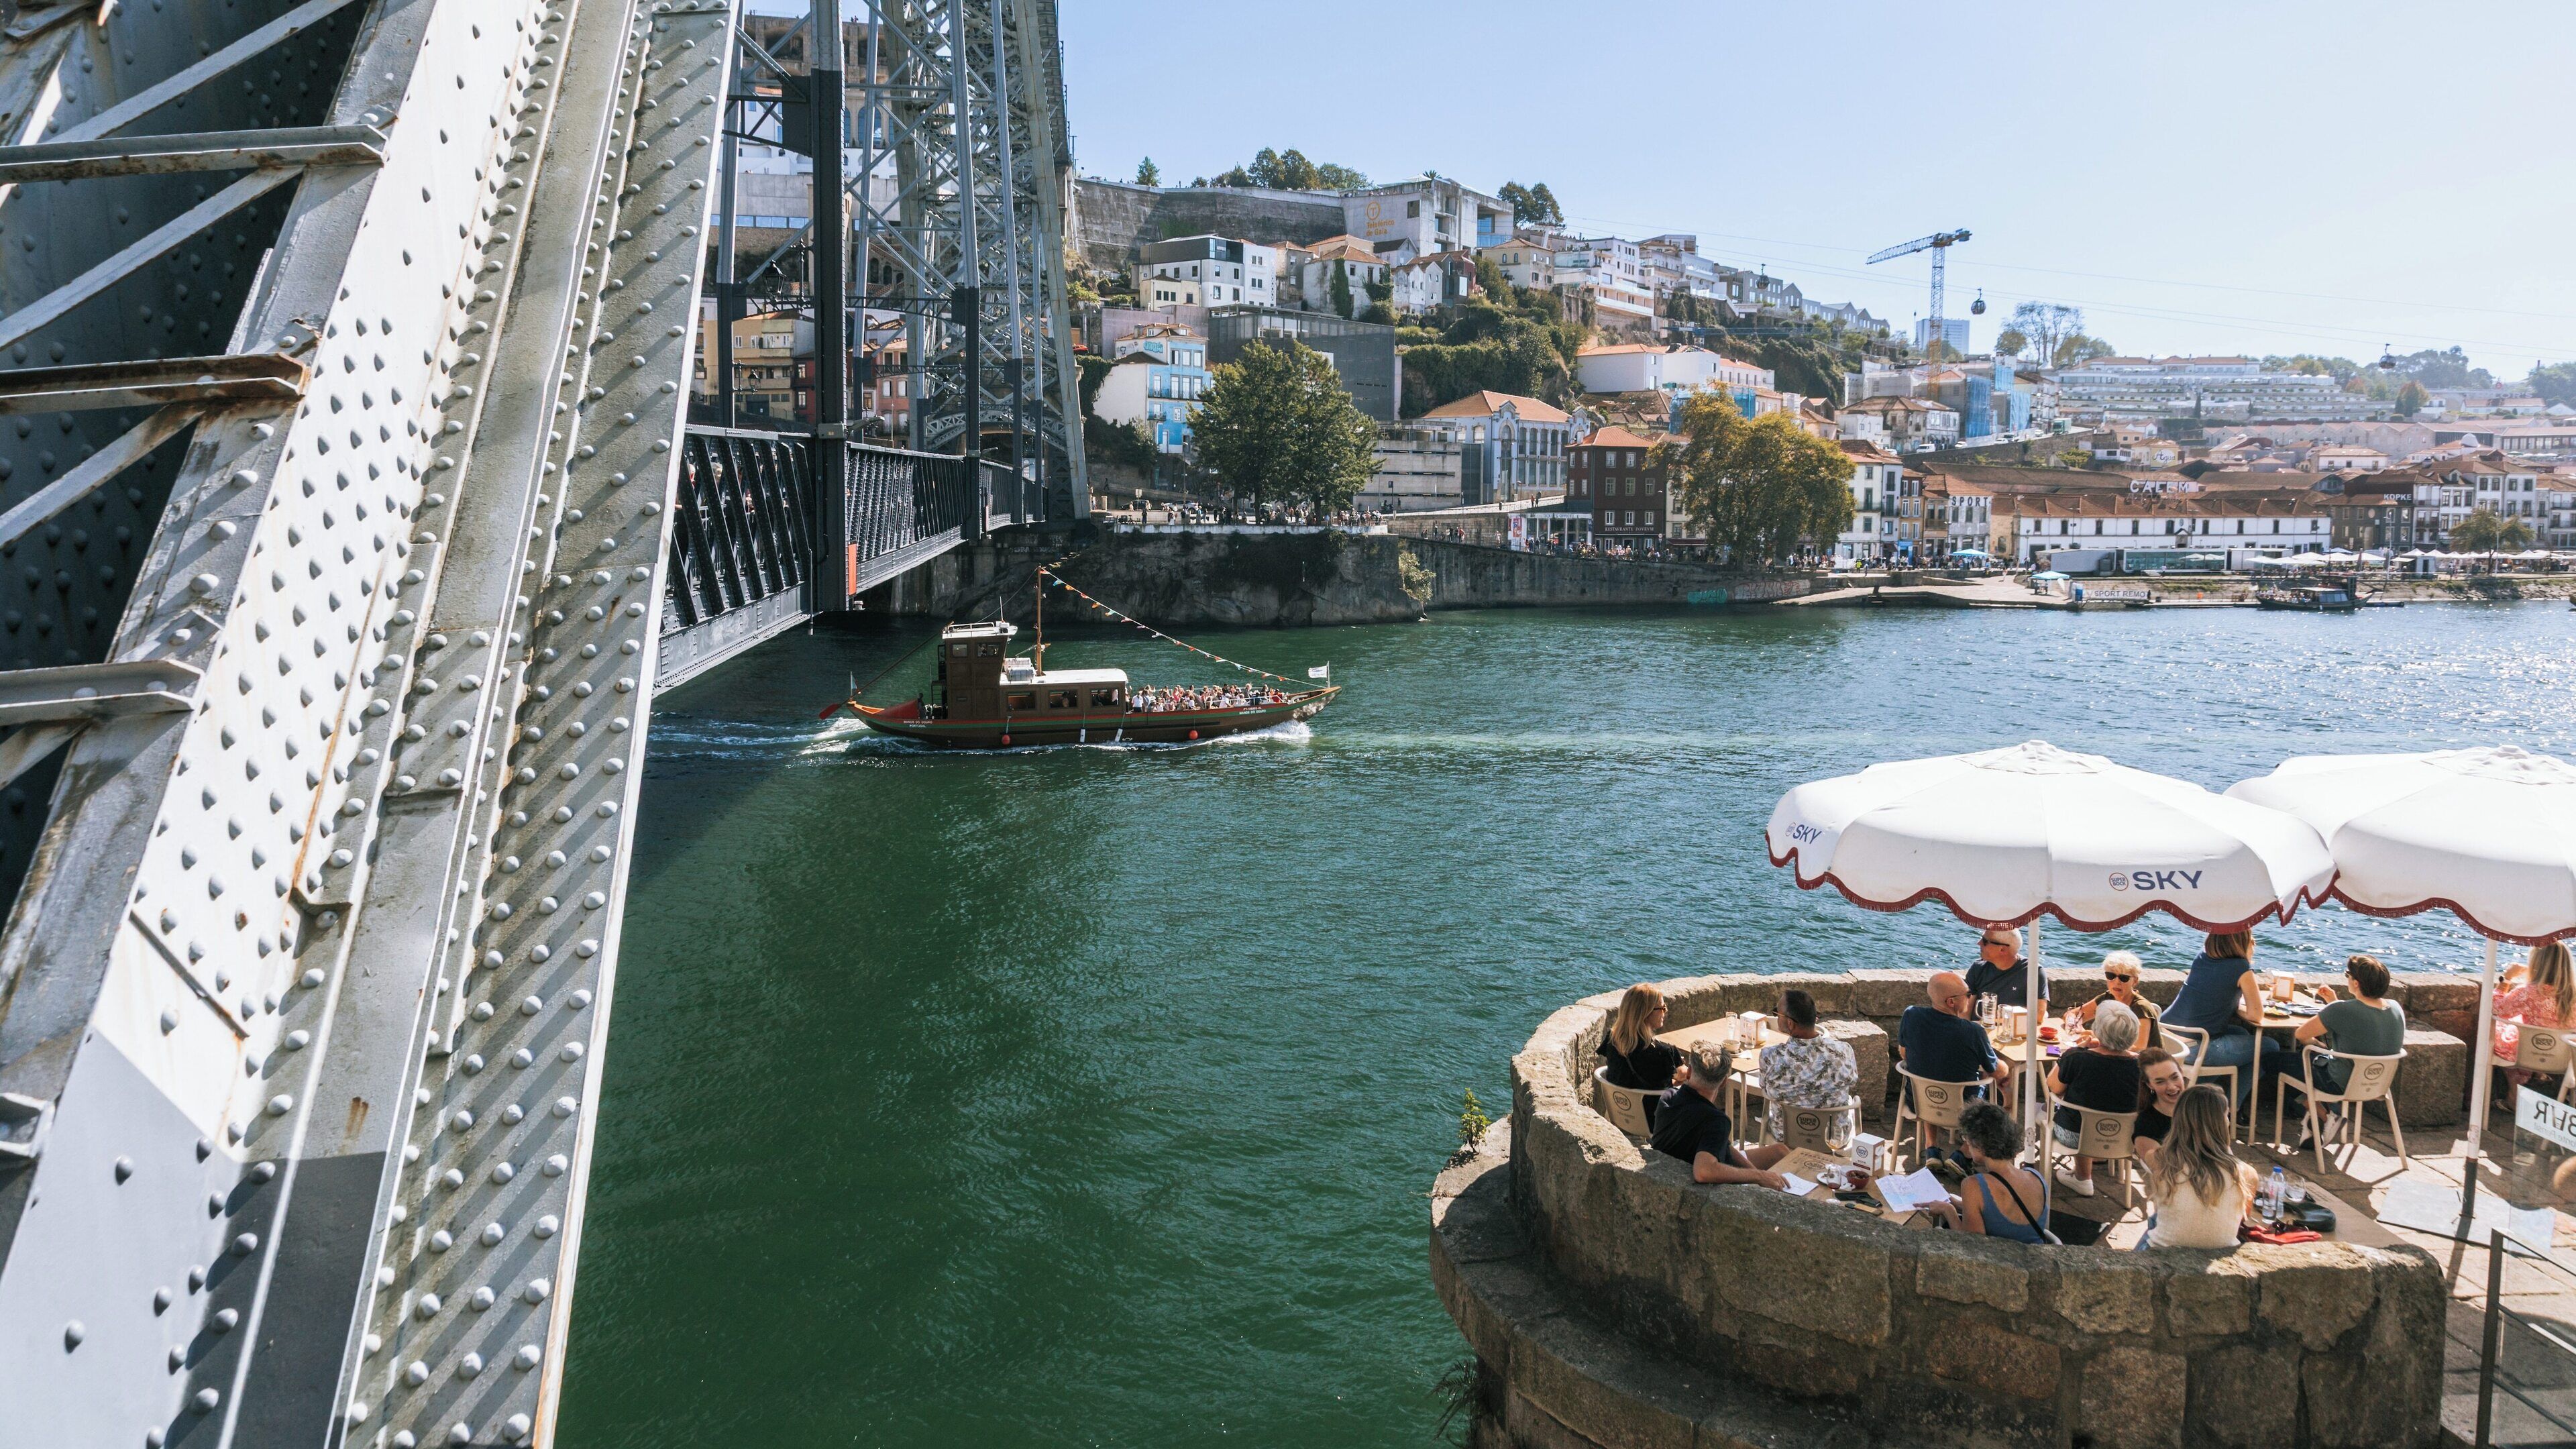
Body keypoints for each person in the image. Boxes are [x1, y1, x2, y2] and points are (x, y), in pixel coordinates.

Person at [2283, 953, 2406, 1151]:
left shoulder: (2341, 1010)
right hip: (2377, 1085)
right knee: (2317, 1062)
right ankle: (2313, 1115)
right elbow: (2361, 1026)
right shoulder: (2395, 1008)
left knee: (2276, 1060)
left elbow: (2301, 1034)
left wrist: (2319, 1042)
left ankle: (2322, 1114)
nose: (2347, 978)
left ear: (2356, 983)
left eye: (2348, 974)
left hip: (2340, 1084)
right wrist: (2333, 1002)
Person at [1648, 1046, 1792, 1188]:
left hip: (1664, 1172)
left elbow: (1721, 1144)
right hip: (1689, 1181)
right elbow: (1703, 1172)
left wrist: (1757, 1173)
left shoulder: (1669, 1097)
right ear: (1724, 1082)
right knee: (1782, 1157)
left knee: (1780, 1151)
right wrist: (1758, 1177)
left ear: (1689, 1072)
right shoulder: (1716, 1120)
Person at [2046, 1000, 2144, 1197]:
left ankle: (2082, 1178)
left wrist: (2074, 1051)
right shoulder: (2143, 1065)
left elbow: (2053, 1086)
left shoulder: (2077, 1058)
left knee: (2057, 1111)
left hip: (2075, 1137)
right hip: (2126, 1138)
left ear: (2098, 1030)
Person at [2142, 1085, 2258, 1249]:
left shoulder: (2160, 1159)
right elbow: (2242, 1218)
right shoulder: (2247, 1173)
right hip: (2220, 1256)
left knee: (2156, 1219)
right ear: (2222, 1122)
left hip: (2164, 1255)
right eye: (2227, 1116)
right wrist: (2225, 1146)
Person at [2163, 930, 2266, 1107]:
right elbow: (2256, 1014)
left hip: (2167, 1037)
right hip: (2195, 1047)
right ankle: (2232, 1109)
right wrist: (2237, 1007)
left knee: (2241, 1032)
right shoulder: (2241, 967)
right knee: (2268, 1046)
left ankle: (2204, 1097)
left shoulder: (2202, 957)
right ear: (2240, 940)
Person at [1923, 1104, 2051, 1244]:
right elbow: (1999, 1214)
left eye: (1967, 1139)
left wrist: (1948, 1210)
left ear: (1978, 1144)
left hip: (1997, 1262)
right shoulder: (2036, 1177)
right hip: (2037, 1260)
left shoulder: (1974, 1186)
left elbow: (1971, 1243)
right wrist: (1958, 1203)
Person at [1759, 988, 1858, 1141]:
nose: (1776, 1017)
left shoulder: (1770, 1057)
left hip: (1786, 1136)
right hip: (1834, 1138)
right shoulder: (1844, 1051)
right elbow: (1852, 1080)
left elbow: (1764, 1088)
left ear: (1790, 1024)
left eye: (1777, 1013)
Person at [1897, 971, 2010, 1095]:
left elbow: (1904, 1053)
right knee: (1999, 1093)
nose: (1971, 997)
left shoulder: (1911, 1015)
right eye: (1968, 994)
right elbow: (1997, 1072)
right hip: (1967, 1110)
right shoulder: (1973, 1032)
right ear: (1951, 1002)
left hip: (1918, 1102)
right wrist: (2007, 1066)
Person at [1599, 983, 1686, 1124]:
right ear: (1646, 1013)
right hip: (1655, 1122)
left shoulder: (1612, 1040)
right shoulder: (1664, 1052)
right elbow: (1684, 1074)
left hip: (1620, 1113)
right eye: (1662, 1008)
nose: (1666, 1011)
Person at [2493, 941, 2575, 1085]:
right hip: (2566, 1058)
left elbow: (2495, 1009)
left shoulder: (2527, 993)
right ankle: (2539, 1076)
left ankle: (2515, 1091)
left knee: (2500, 1029)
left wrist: (2506, 979)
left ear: (2536, 963)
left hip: (2528, 1054)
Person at [2071, 950, 2160, 1051]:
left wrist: (2098, 1042)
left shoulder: (2140, 1007)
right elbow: (2073, 1014)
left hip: (2145, 1062)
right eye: (2111, 976)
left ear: (2135, 981)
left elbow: (2139, 1047)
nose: (2116, 982)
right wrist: (2079, 1029)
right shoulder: (2108, 997)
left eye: (2124, 978)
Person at [2130, 1047, 2190, 1177]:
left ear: (2181, 1072)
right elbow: (2165, 1172)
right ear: (2149, 1085)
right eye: (2160, 1081)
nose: (2171, 1087)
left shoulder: (2198, 1107)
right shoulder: (2146, 1126)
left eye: (2175, 1077)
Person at [1965, 926, 2039, 1009]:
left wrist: (2003, 1015)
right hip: (1977, 1022)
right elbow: (1965, 1011)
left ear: (2002, 949)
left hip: (2011, 1022)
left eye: (1985, 941)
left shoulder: (2032, 971)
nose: (1979, 943)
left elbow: (2038, 1013)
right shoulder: (1978, 968)